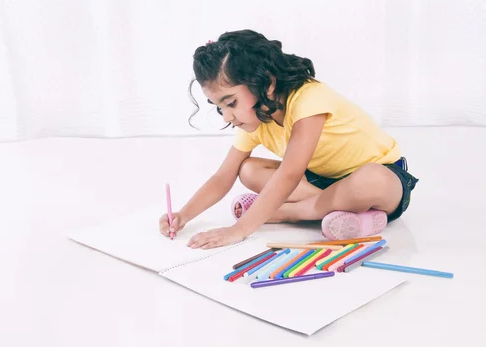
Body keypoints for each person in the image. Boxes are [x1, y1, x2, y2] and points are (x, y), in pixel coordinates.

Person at [158, 30, 418, 249]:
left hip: (383, 180)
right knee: (248, 170)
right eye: (219, 107)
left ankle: (286, 213)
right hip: (322, 182)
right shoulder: (255, 118)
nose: (227, 116)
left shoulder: (308, 100)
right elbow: (222, 177)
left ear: (266, 84)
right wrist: (184, 214)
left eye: (231, 103)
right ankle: (345, 212)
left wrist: (240, 229)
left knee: (370, 179)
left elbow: (290, 174)